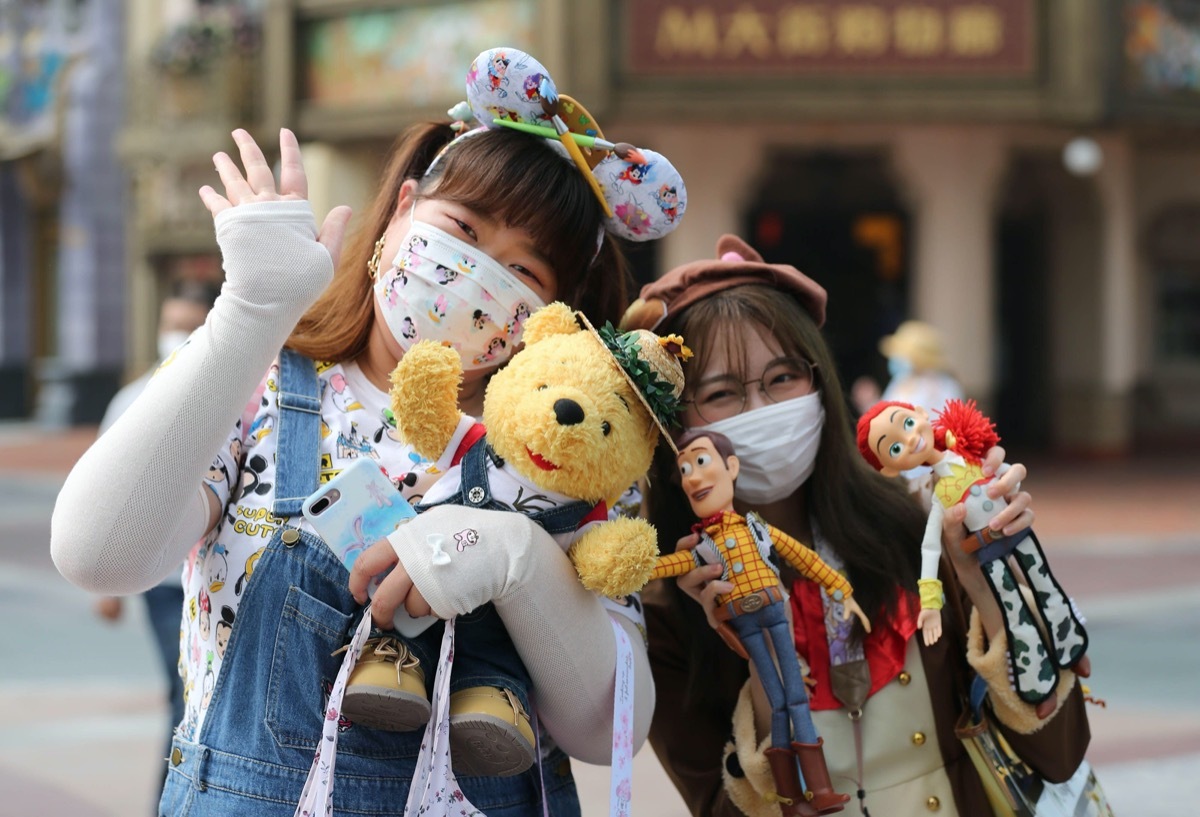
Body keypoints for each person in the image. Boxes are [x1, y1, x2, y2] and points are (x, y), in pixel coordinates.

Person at [51, 45, 684, 816]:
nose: (481, 273)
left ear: (553, 312)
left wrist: (514, 556)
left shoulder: (573, 457)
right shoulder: (262, 390)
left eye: (529, 270)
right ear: (401, 208)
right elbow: (96, 552)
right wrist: (251, 313)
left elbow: (605, 727)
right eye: (464, 227)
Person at [620, 234, 1090, 817]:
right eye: (721, 393)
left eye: (783, 379)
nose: (764, 410)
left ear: (820, 386)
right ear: (671, 429)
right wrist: (760, 663)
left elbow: (1059, 752)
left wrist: (982, 576)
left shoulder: (916, 529)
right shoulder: (668, 613)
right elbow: (718, 808)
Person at [650, 428, 869, 816]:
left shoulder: (757, 529)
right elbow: (668, 565)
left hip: (774, 616)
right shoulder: (702, 547)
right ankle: (790, 797)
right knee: (779, 703)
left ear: (731, 466)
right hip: (748, 628)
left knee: (795, 697)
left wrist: (842, 590)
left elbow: (803, 558)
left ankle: (818, 789)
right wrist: (628, 568)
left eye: (700, 462)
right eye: (684, 470)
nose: (693, 477)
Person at [857, 398, 1089, 717]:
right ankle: (1036, 678)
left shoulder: (970, 456)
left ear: (922, 414)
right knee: (1013, 611)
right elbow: (930, 547)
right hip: (986, 550)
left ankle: (1070, 642)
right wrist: (931, 603)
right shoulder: (939, 496)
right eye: (894, 448)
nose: (910, 439)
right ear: (889, 469)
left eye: (908, 423)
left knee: (1043, 584)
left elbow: (1009, 475)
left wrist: (1011, 481)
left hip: (1016, 534)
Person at [91, 280, 218, 805]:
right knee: (186, 693)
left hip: (219, 575)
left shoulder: (242, 391)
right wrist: (107, 584)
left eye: (190, 326)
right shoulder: (132, 398)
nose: (178, 336)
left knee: (206, 698)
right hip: (165, 582)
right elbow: (102, 494)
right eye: (172, 325)